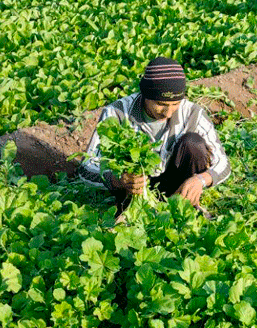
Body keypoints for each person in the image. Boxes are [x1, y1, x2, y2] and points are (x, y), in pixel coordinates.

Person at [78, 57, 230, 219]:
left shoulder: (193, 113)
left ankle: (185, 208)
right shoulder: (117, 113)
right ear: (145, 94)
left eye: (175, 104)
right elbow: (86, 167)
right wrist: (117, 180)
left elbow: (223, 164)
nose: (168, 112)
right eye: (161, 104)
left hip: (177, 188)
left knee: (193, 143)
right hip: (132, 192)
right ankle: (131, 213)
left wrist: (201, 179)